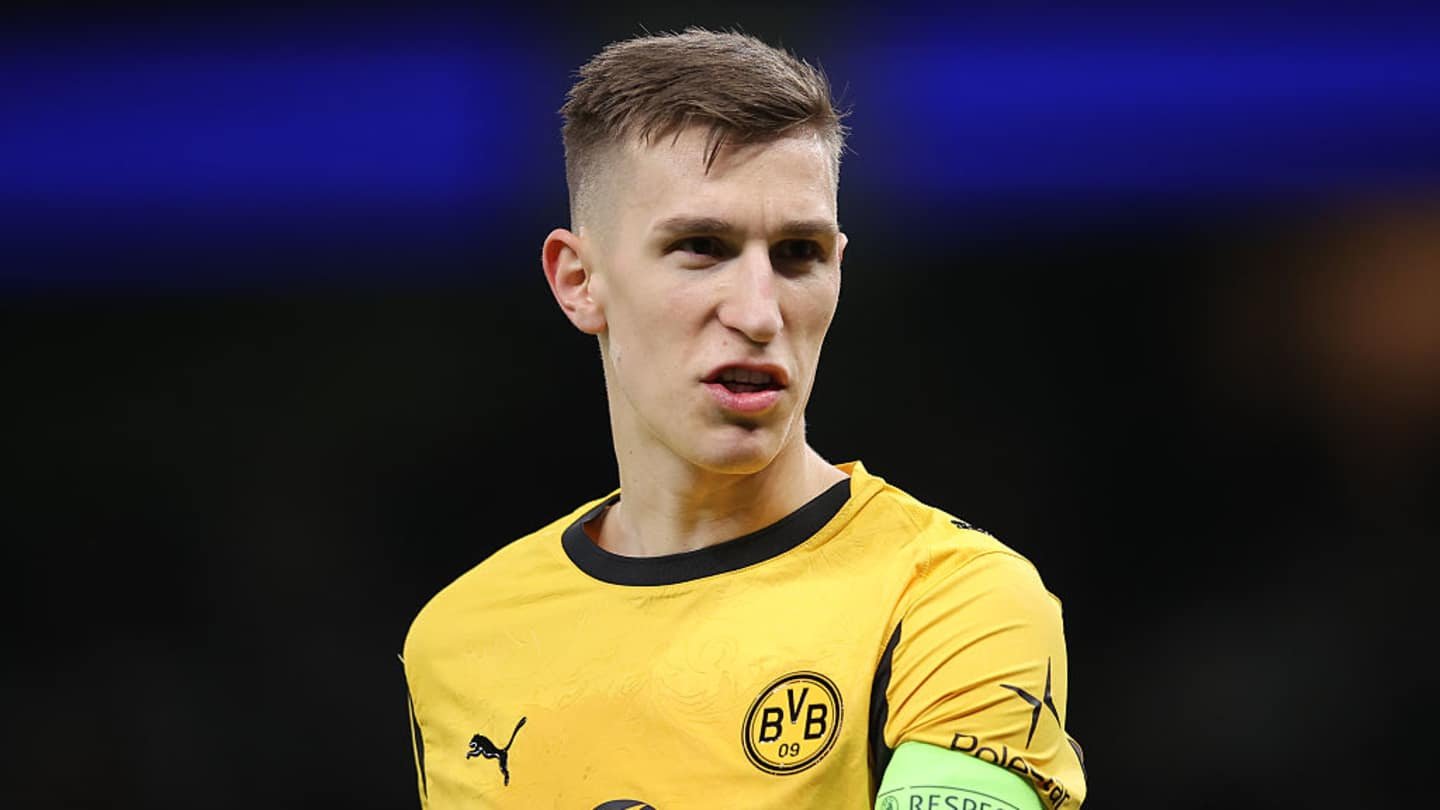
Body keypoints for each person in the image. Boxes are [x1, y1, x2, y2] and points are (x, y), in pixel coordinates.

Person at [401, 27, 1086, 810]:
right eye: (702, 246)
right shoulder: (462, 640)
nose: (760, 313)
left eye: (798, 254)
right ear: (579, 281)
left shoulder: (952, 601)